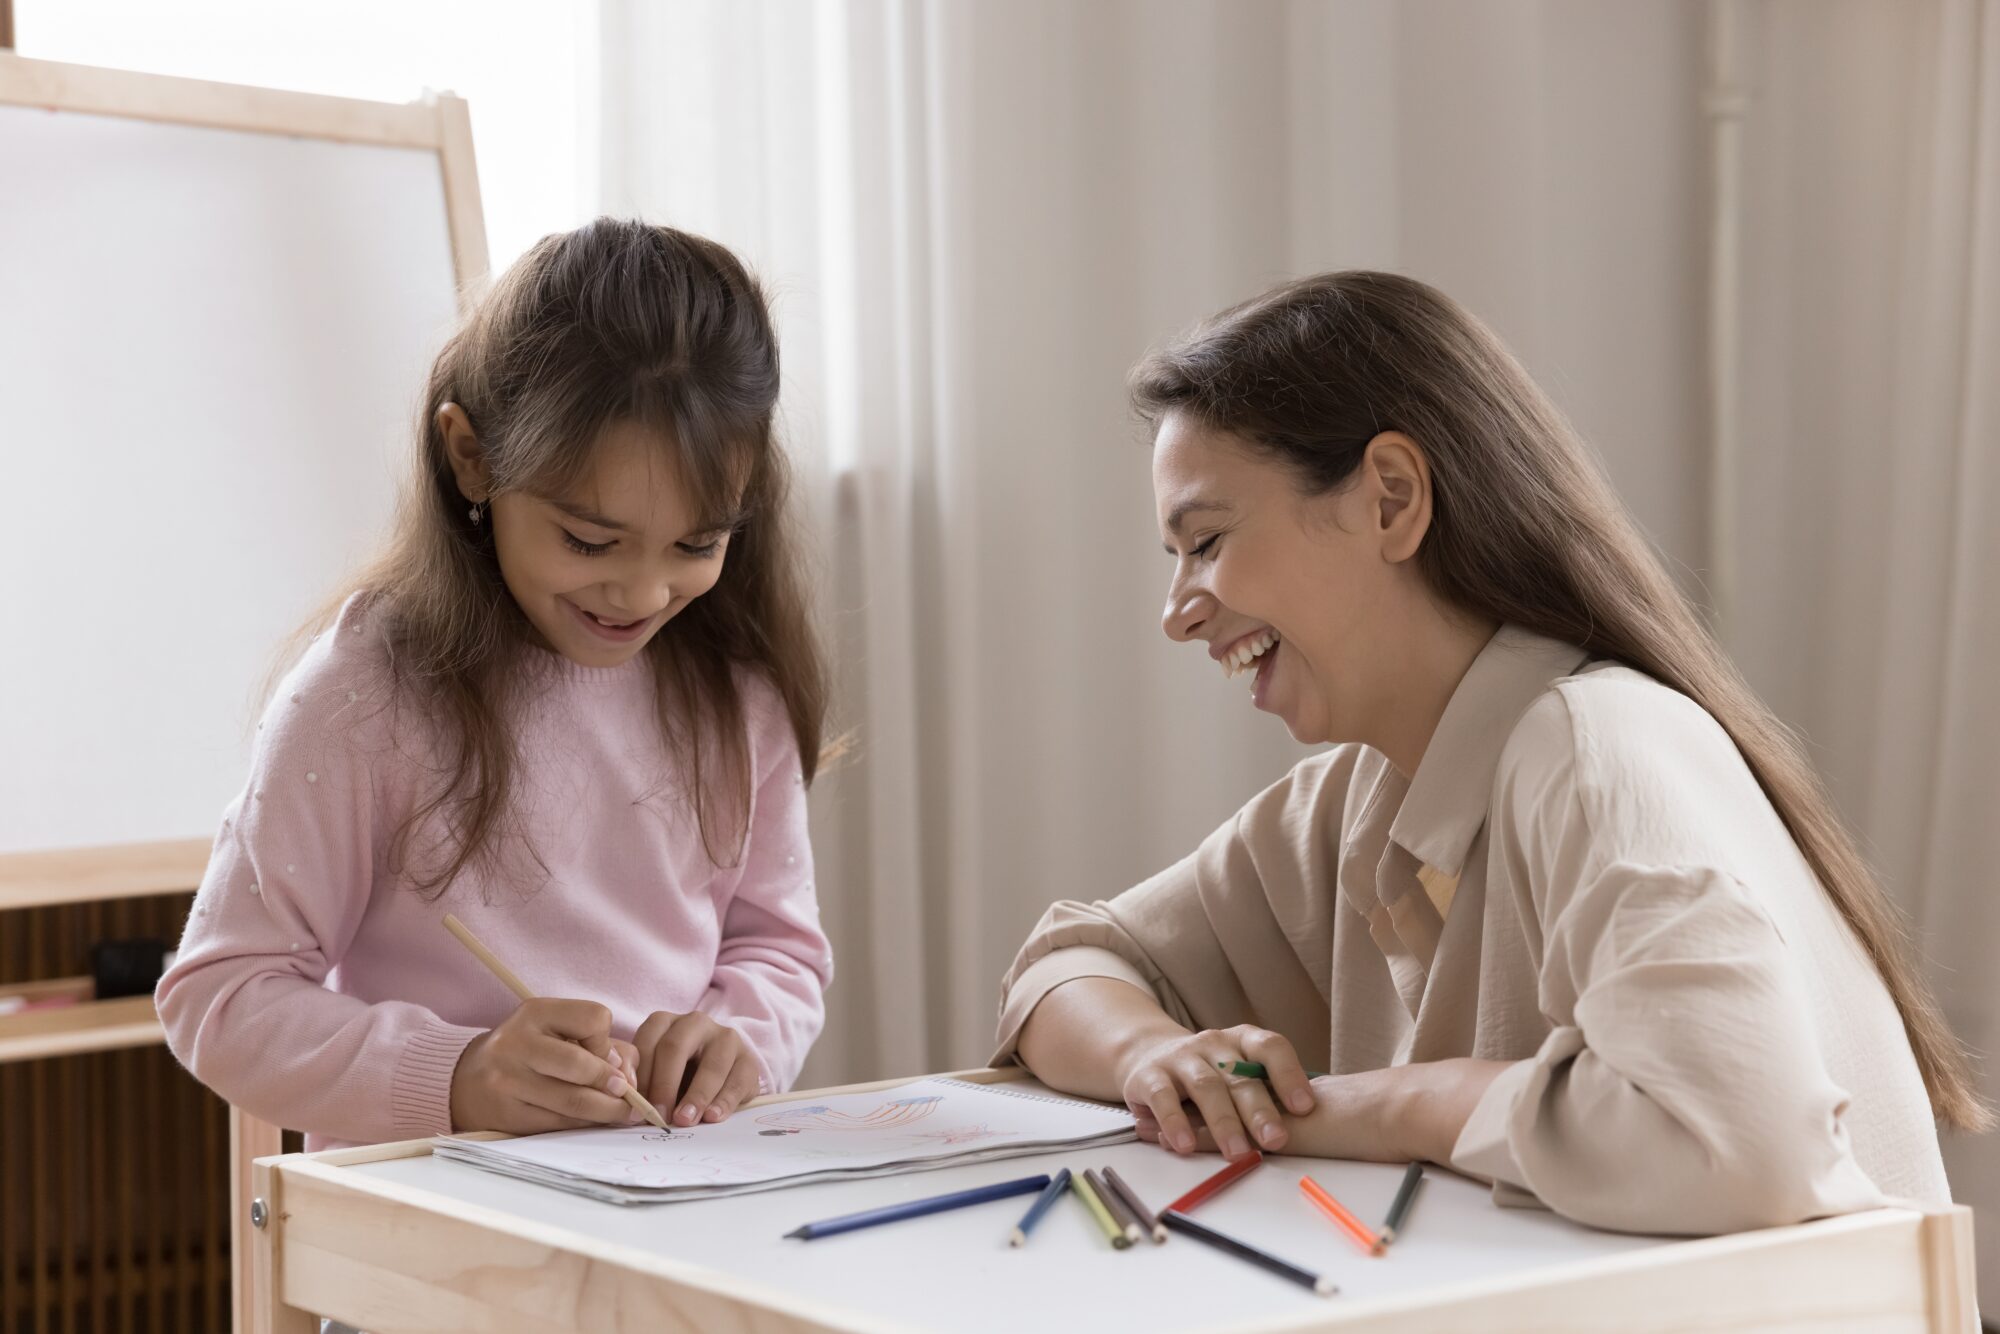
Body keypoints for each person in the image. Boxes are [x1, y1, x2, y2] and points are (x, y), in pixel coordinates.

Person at [994, 271, 1980, 1234]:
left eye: (1203, 540)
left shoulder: (1591, 744)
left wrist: (1405, 1102)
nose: (1176, 612)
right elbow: (1067, 962)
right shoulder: (1360, 795)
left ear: (1387, 497)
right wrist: (1150, 1056)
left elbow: (1735, 1140)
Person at [158, 219, 833, 1150]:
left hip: (670, 1205)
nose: (641, 593)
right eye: (589, 542)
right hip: (427, 1239)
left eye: (697, 545)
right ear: (471, 456)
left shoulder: (732, 689)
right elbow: (221, 997)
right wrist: (459, 1078)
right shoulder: (367, 696)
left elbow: (780, 951)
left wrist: (740, 1043)